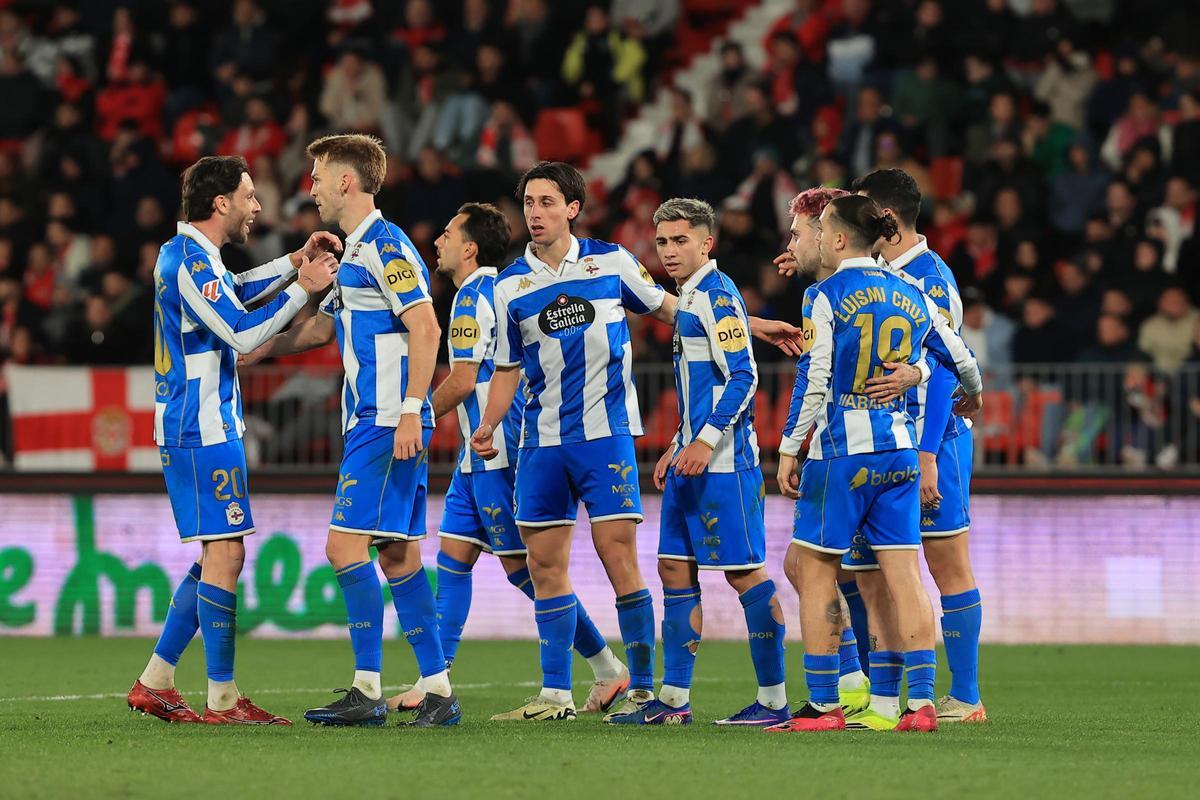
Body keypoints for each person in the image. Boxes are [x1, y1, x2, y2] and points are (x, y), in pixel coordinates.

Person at [470, 161, 801, 722]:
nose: (535, 212)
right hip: (540, 441)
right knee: (544, 564)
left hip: (607, 438)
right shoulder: (507, 286)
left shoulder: (612, 262)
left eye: (547, 201)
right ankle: (556, 695)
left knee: (619, 558)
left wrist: (752, 325)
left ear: (572, 208)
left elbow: (676, 310)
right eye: (528, 202)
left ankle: (646, 689)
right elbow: (505, 369)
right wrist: (486, 423)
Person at [244, 134, 458, 727]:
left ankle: (367, 689)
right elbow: (317, 332)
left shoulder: (388, 248)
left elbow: (426, 329)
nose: (309, 185)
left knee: (344, 547)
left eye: (317, 174)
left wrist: (413, 407)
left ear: (346, 180)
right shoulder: (356, 253)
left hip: (387, 421)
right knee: (397, 555)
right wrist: (258, 349)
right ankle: (438, 688)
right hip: (380, 420)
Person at [386, 203, 632, 715]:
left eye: (448, 233)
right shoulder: (491, 291)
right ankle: (436, 678)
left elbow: (464, 378)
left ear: (470, 247)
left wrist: (415, 419)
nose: (438, 242)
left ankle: (599, 671)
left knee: (530, 572)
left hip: (499, 453)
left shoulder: (477, 296)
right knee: (452, 559)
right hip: (474, 461)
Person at [127, 155, 338, 724]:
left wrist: (296, 263)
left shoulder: (194, 258)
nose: (257, 207)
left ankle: (157, 679)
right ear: (220, 203)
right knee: (227, 552)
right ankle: (221, 698)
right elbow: (242, 334)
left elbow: (236, 291)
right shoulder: (188, 262)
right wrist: (306, 290)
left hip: (205, 424)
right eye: (249, 195)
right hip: (199, 428)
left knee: (217, 555)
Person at [770, 194, 983, 734]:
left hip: (841, 455)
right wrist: (969, 393)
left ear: (840, 239)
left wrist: (790, 447)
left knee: (816, 572)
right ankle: (920, 705)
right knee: (906, 576)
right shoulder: (912, 291)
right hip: (899, 456)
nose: (813, 236)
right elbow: (960, 358)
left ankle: (823, 705)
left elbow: (815, 378)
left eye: (819, 229)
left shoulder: (824, 295)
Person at [608, 198, 787, 727]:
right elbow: (700, 386)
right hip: (692, 460)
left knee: (745, 574)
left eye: (680, 240)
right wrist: (677, 443)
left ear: (707, 243)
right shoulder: (691, 297)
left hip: (726, 466)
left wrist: (705, 442)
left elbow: (744, 377)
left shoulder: (716, 294)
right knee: (673, 568)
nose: (669, 251)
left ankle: (774, 703)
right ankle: (673, 701)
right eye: (662, 241)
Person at [853, 168, 988, 725]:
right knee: (867, 568)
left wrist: (928, 455)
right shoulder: (879, 273)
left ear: (884, 218)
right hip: (883, 443)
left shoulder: (929, 280)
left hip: (933, 445)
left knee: (945, 563)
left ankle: (967, 696)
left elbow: (938, 376)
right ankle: (878, 693)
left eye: (860, 210)